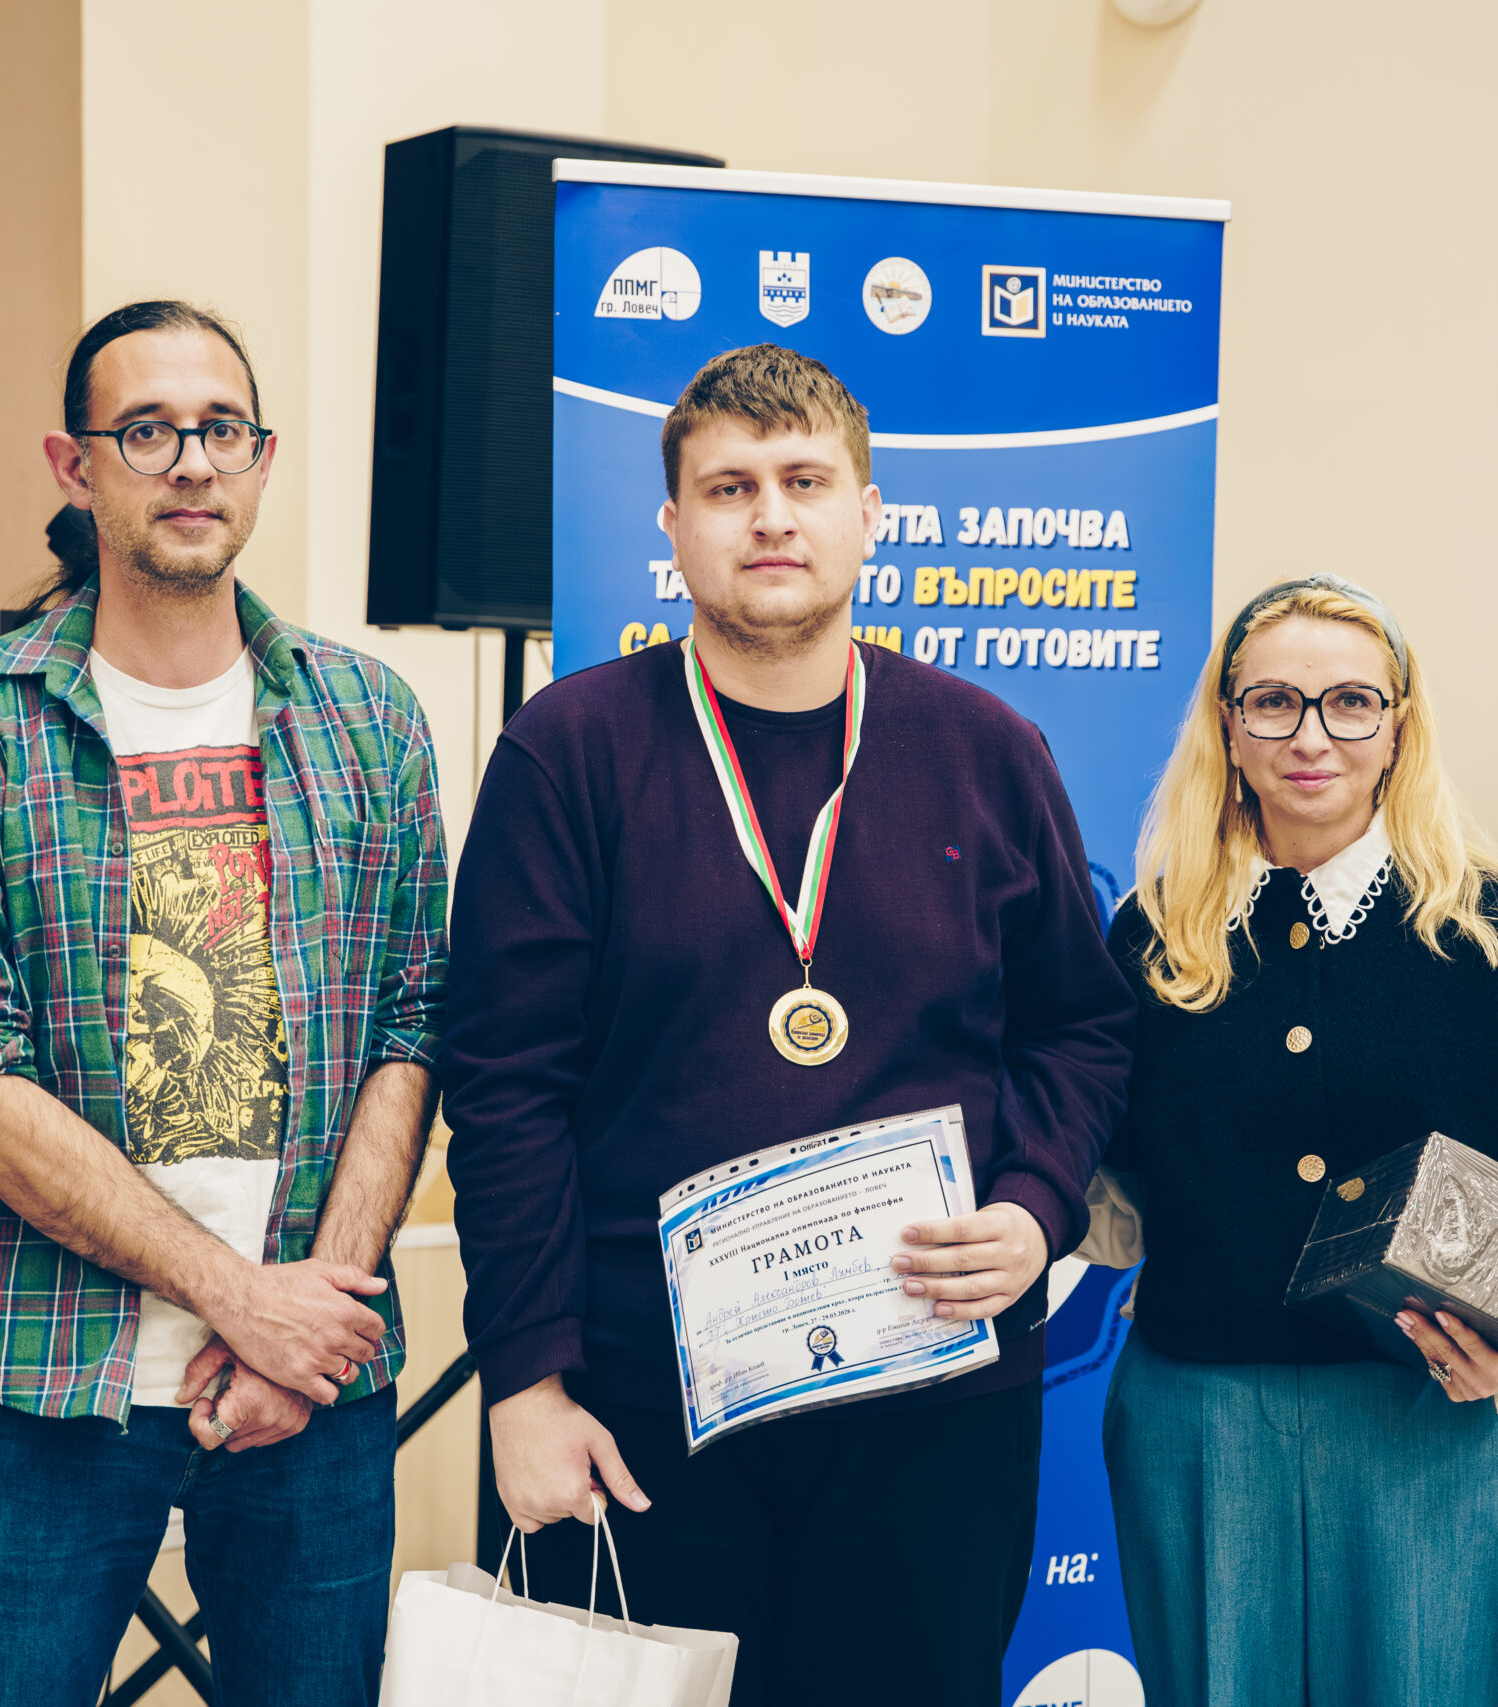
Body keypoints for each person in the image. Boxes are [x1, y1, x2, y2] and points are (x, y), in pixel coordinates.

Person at [440, 344, 1134, 1707]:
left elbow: (1081, 1028)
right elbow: (505, 1086)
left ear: (868, 514)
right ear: (673, 524)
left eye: (805, 482)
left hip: (931, 1408)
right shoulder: (567, 753)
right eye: (730, 487)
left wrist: (1038, 1205)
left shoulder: (990, 750)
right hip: (645, 1410)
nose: (770, 517)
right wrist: (525, 1380)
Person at [0, 299, 446, 1707]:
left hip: (316, 1386)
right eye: (146, 431)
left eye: (221, 429)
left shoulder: (370, 718)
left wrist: (310, 1329)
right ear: (75, 466)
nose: (190, 461)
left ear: (262, 458)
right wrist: (243, 1301)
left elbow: (415, 1019)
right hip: (43, 1382)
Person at [1090, 574, 1498, 1707]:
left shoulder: (1486, 928)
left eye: (1351, 703)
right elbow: (1113, 1198)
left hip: (1425, 1414)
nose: (1311, 736)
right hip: (1202, 1419)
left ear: (1398, 728)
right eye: (1273, 701)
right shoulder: (1155, 931)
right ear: (1228, 726)